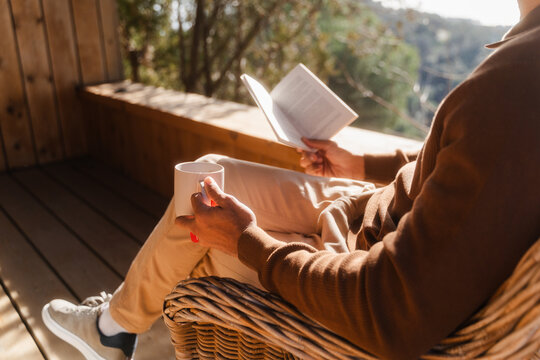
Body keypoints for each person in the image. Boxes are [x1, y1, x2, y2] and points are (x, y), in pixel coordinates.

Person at [42, 1, 540, 359]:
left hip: (361, 246)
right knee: (211, 173)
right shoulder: (519, 65)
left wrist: (249, 243)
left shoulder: (515, 87)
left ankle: (112, 329)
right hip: (372, 204)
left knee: (197, 220)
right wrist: (360, 163)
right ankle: (115, 325)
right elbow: (458, 160)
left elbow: (394, 309)